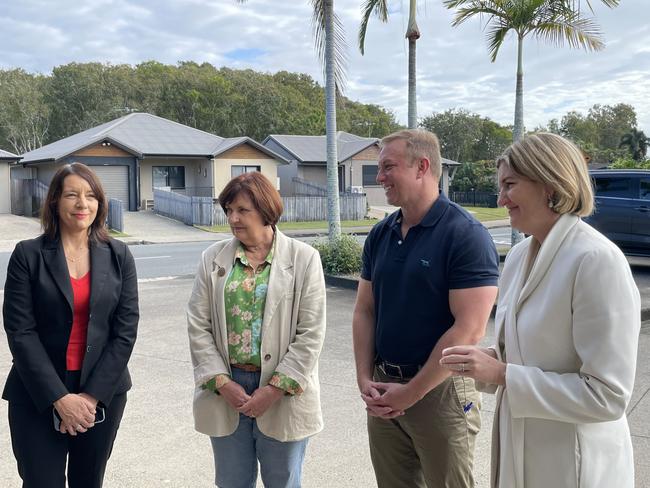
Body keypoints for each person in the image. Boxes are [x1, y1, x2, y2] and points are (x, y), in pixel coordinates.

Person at [440, 133, 640, 488]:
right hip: (521, 452)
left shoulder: (596, 261)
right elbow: (524, 353)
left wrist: (503, 374)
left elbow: (608, 396)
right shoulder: (518, 257)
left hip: (574, 465)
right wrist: (481, 364)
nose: (500, 199)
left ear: (550, 184)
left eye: (510, 185)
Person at [352, 129, 499, 488]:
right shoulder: (380, 234)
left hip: (442, 391)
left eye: (388, 167)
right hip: (384, 387)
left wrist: (412, 391)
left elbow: (469, 328)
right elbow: (364, 310)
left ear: (422, 166)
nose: (380, 177)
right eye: (379, 168)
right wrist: (365, 379)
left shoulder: (466, 235)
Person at [2, 162, 139, 487]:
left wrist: (90, 398)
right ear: (54, 202)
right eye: (72, 195)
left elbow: (126, 329)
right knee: (41, 481)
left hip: (102, 393)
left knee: (87, 482)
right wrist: (59, 399)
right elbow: (21, 332)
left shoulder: (119, 255)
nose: (82, 204)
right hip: (38, 393)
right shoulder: (27, 255)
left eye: (91, 195)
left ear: (100, 203)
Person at [187, 171, 326, 488]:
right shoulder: (213, 258)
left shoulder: (304, 259)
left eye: (242, 210)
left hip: (284, 392)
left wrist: (274, 389)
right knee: (232, 481)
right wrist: (222, 382)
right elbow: (198, 325)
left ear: (265, 210)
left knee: (283, 481)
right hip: (227, 388)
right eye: (228, 211)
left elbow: (311, 333)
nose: (233, 218)